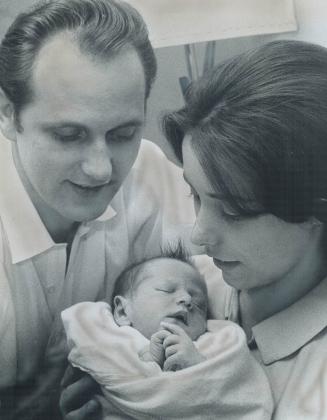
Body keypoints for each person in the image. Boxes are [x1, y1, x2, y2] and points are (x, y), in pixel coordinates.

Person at [0, 0, 164, 418]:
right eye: (68, 135)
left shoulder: (148, 169)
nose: (101, 169)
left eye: (123, 133)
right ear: (7, 113)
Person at [163, 39, 327, 419]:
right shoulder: (185, 287)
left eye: (234, 211)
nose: (198, 236)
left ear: (316, 209)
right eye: (195, 194)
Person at [61, 242, 273, 420]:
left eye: (200, 304)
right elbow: (95, 368)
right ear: (122, 311)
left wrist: (197, 366)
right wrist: (147, 364)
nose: (187, 300)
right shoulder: (107, 335)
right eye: (166, 290)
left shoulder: (215, 344)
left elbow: (242, 397)